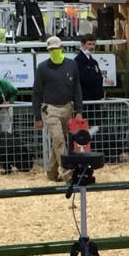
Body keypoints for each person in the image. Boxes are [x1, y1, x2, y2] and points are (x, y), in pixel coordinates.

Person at [32, 36, 84, 182]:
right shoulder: (42, 68)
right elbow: (36, 93)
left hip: (68, 108)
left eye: (56, 48)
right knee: (59, 140)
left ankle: (51, 171)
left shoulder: (72, 65)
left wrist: (79, 110)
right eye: (51, 49)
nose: (54, 51)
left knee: (60, 142)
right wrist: (37, 116)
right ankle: (68, 173)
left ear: (62, 48)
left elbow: (77, 89)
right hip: (51, 109)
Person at [74, 33, 105, 101]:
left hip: (96, 99)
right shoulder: (78, 61)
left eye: (93, 44)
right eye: (89, 44)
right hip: (85, 99)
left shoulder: (94, 62)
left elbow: (99, 78)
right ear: (83, 45)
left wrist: (101, 96)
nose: (92, 47)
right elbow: (82, 79)